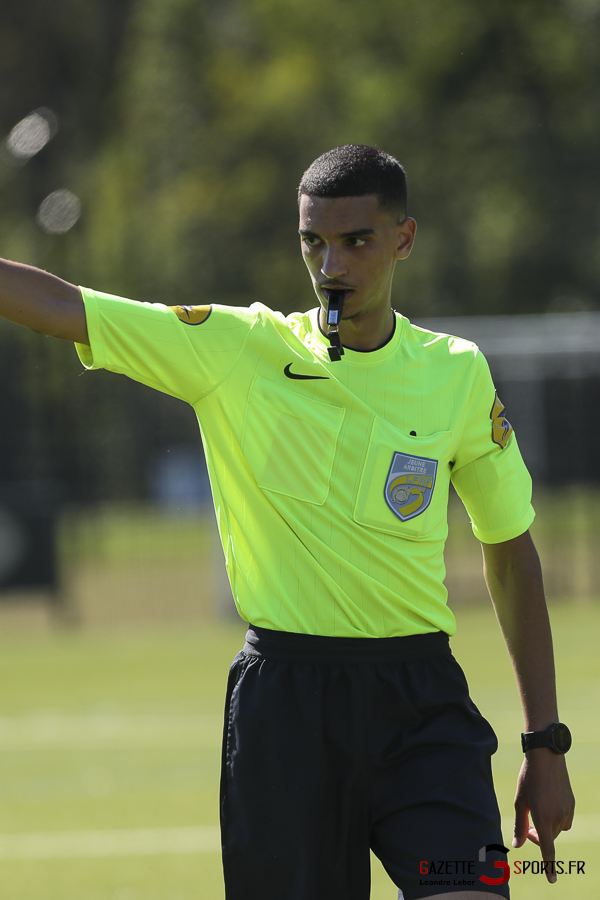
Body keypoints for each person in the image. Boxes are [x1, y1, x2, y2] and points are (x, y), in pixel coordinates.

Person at [0, 144, 574, 900]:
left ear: (403, 238)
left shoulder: (457, 372)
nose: (330, 263)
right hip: (286, 712)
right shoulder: (239, 349)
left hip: (424, 709)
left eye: (355, 240)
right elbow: (67, 307)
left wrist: (545, 742)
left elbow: (509, 551)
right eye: (313, 241)